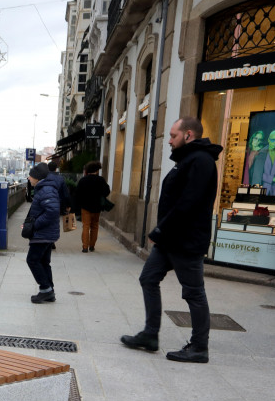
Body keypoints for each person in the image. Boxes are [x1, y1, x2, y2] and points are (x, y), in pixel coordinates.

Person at [121, 116, 221, 363]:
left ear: (189, 135)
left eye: (173, 136)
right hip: (171, 239)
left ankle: (199, 347)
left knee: (193, 293)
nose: (169, 141)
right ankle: (150, 334)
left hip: (186, 241)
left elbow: (188, 203)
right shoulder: (188, 159)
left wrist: (159, 231)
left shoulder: (201, 161)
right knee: (148, 278)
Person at [24, 163, 60, 304]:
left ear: (37, 178)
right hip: (46, 233)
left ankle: (45, 289)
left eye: (31, 175)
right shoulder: (45, 189)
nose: (28, 178)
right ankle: (49, 291)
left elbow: (52, 211)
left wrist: (34, 225)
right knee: (44, 262)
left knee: (32, 260)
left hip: (43, 233)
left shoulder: (46, 190)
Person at [73, 160, 110, 253]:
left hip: (85, 207)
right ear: (97, 170)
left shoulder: (83, 180)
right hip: (97, 207)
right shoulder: (101, 180)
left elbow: (77, 194)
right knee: (94, 226)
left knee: (86, 226)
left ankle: (85, 247)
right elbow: (107, 191)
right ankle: (92, 245)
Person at [46, 160, 72, 249]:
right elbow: (65, 193)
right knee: (54, 222)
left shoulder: (44, 177)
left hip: (45, 203)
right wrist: (68, 204)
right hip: (57, 203)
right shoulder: (60, 178)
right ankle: (52, 241)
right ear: (56, 169)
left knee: (46, 221)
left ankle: (46, 240)